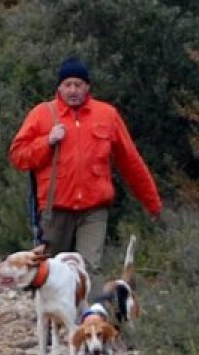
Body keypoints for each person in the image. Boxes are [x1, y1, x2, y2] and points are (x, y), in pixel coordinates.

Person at [9, 56, 161, 272]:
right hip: (55, 210)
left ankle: (87, 306)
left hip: (93, 209)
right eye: (67, 85)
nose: (73, 90)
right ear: (59, 88)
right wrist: (47, 142)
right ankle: (55, 307)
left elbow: (131, 162)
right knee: (52, 272)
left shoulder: (107, 115)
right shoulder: (41, 114)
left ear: (87, 87)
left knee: (89, 270)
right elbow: (18, 156)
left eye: (78, 85)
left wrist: (152, 203)